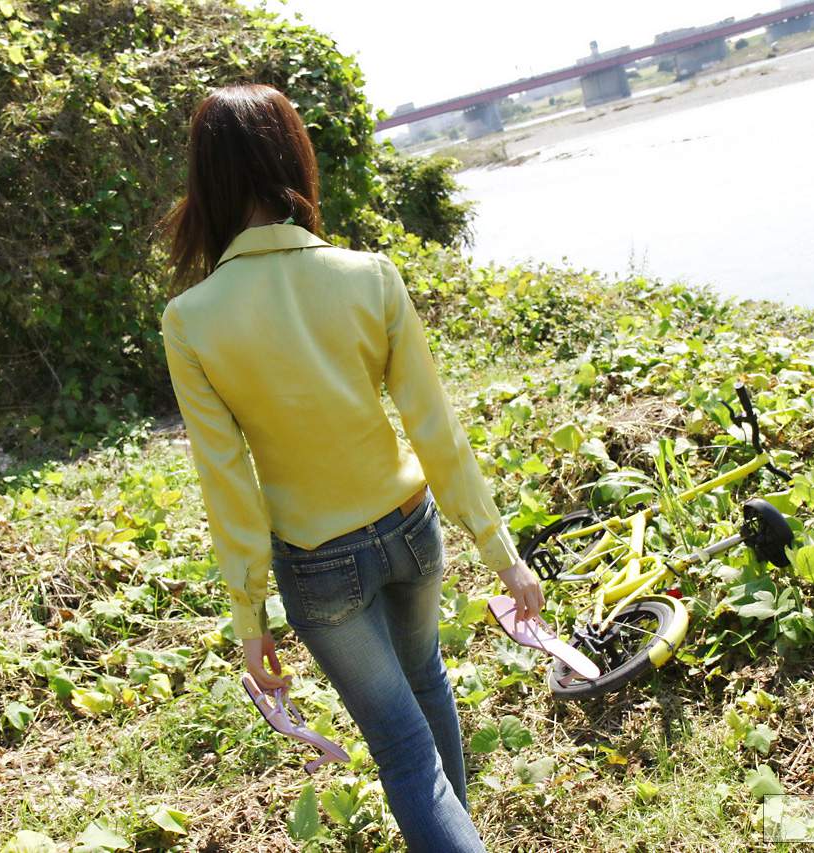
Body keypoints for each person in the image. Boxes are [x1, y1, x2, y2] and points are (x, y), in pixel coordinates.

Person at [159, 82, 544, 852]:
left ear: (209, 181)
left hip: (318, 563)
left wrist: (249, 618)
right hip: (410, 531)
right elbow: (436, 429)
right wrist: (501, 552)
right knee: (427, 683)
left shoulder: (191, 320)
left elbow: (229, 485)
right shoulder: (370, 275)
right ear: (293, 159)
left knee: (403, 750)